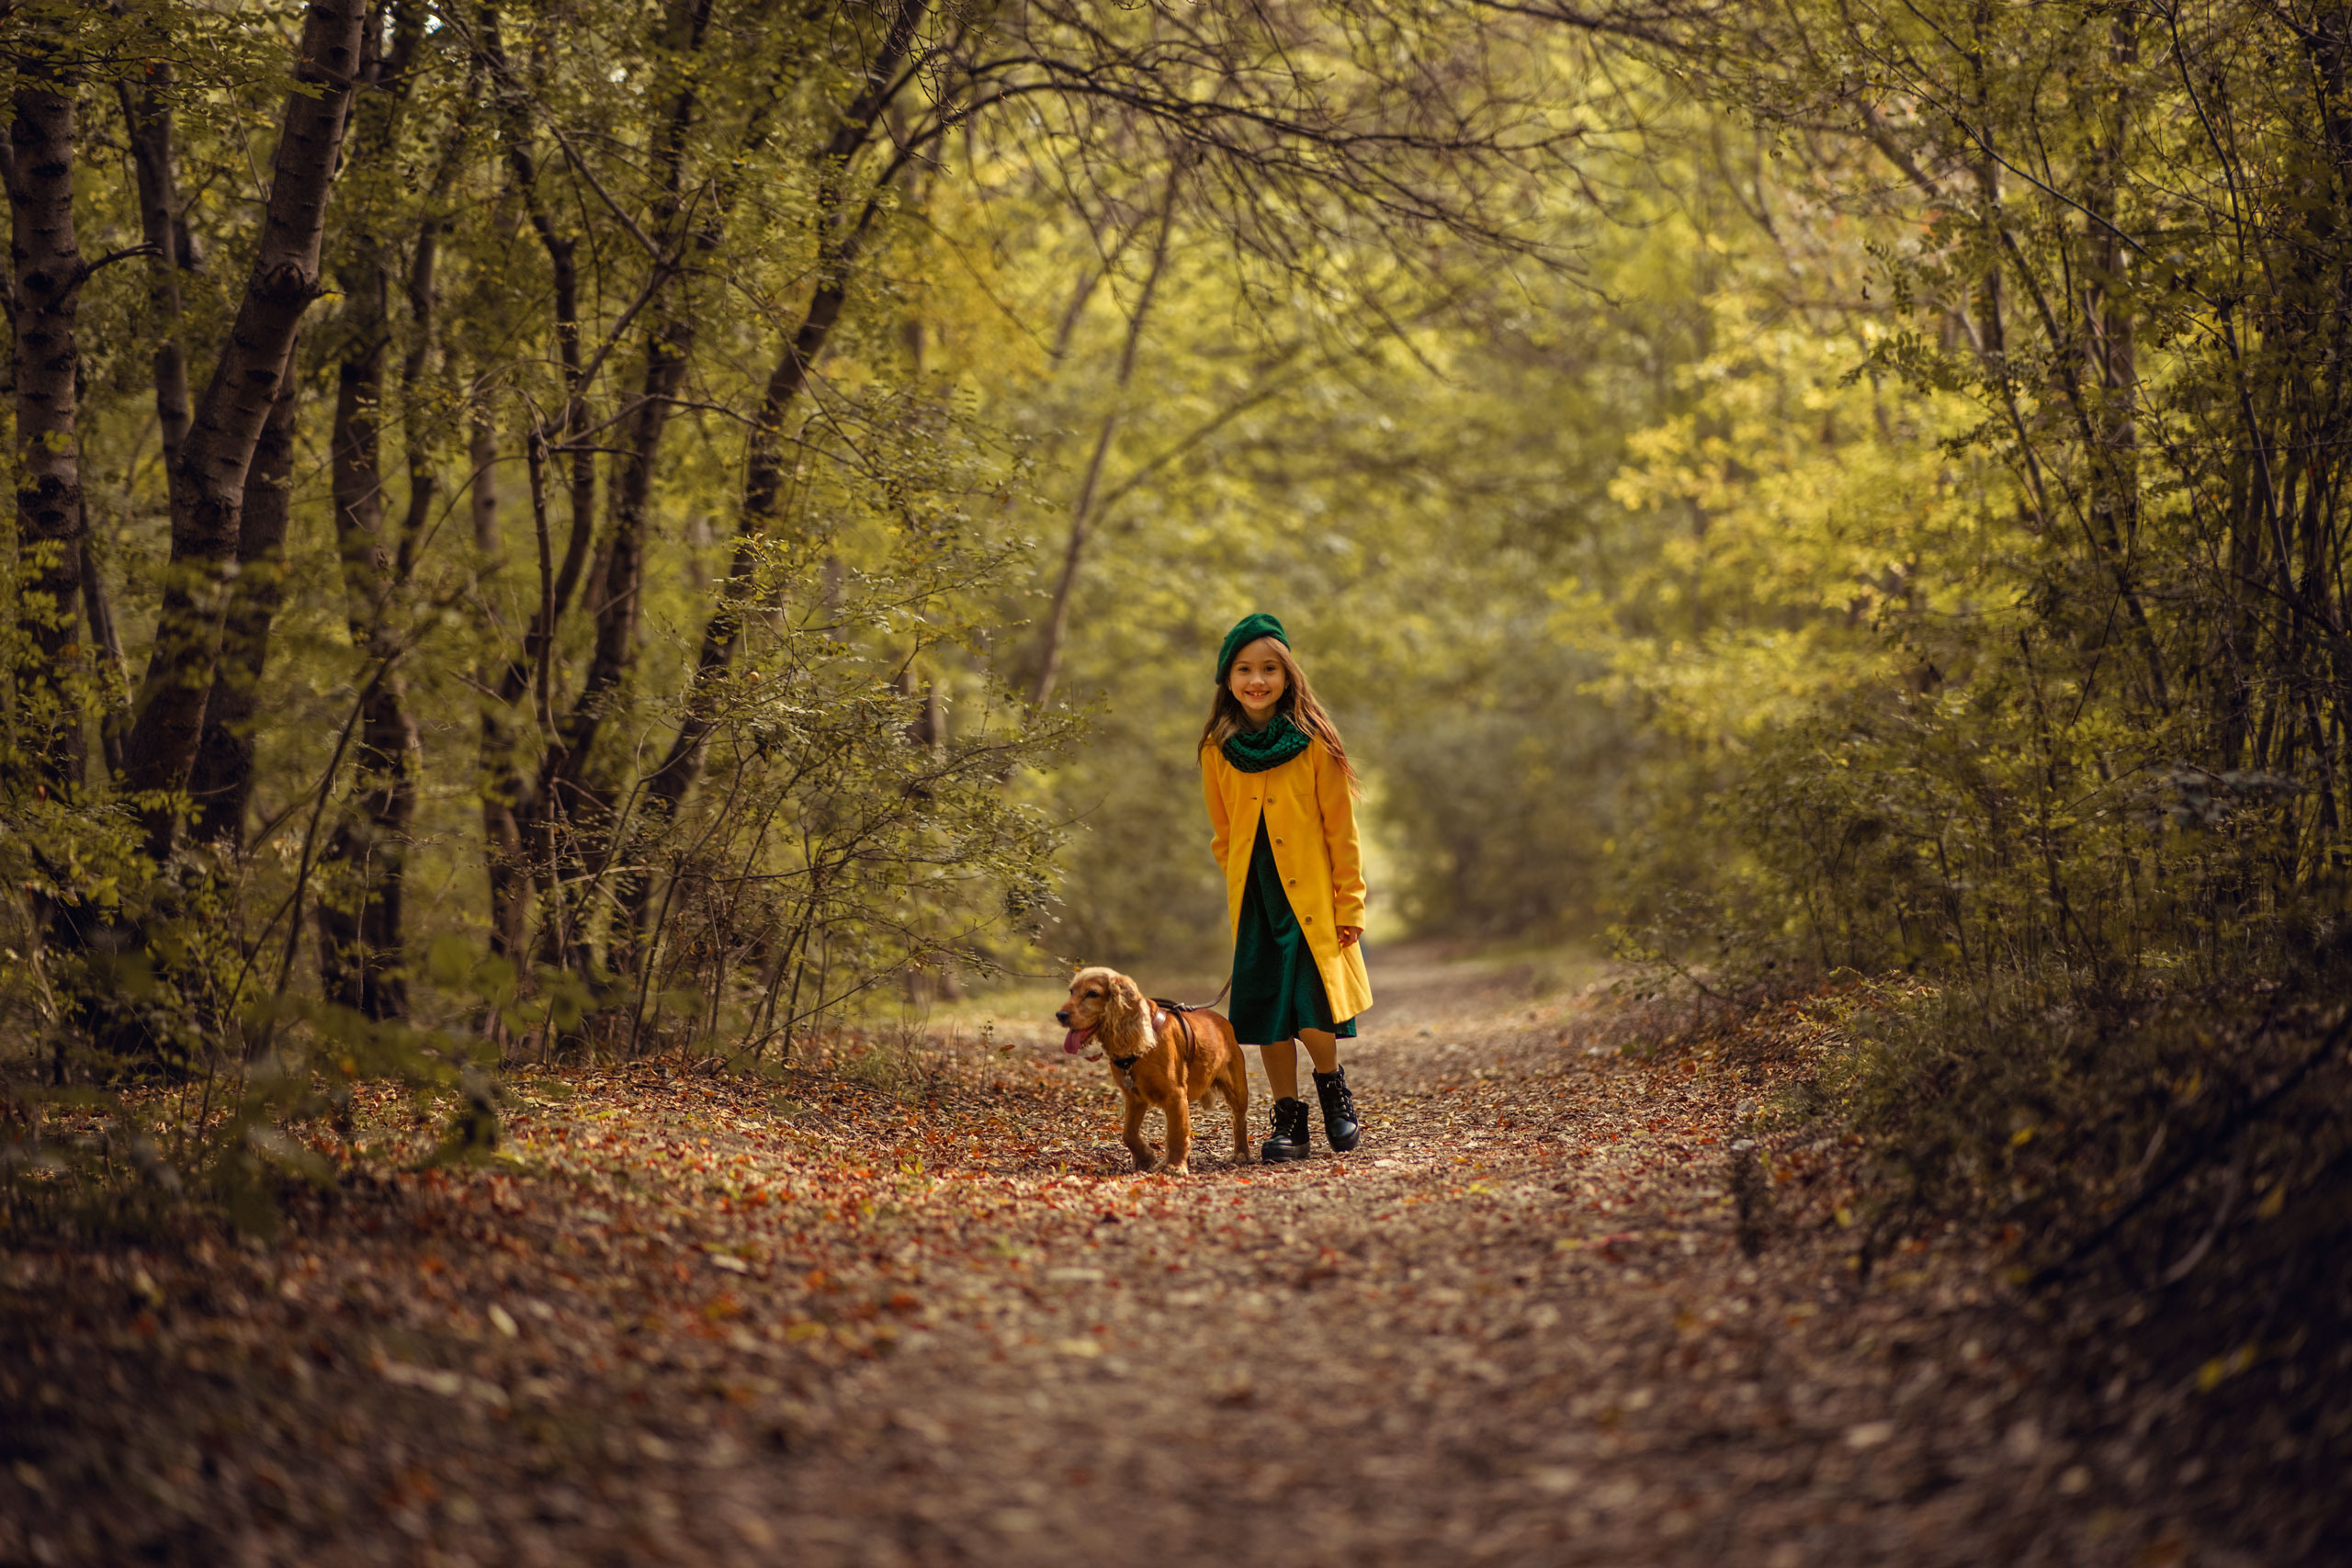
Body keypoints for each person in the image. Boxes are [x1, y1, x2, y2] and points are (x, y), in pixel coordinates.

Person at [1198, 612, 1372, 1162]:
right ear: (1228, 679)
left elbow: (1342, 833)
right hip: (1254, 899)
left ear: (1288, 675)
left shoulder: (1315, 742)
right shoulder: (1216, 750)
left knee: (1311, 1004)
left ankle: (1331, 1088)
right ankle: (1288, 1118)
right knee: (1270, 1010)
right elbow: (1222, 834)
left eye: (1269, 668)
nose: (1257, 680)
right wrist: (1238, 882)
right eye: (1245, 669)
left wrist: (1351, 903)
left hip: (1311, 901)